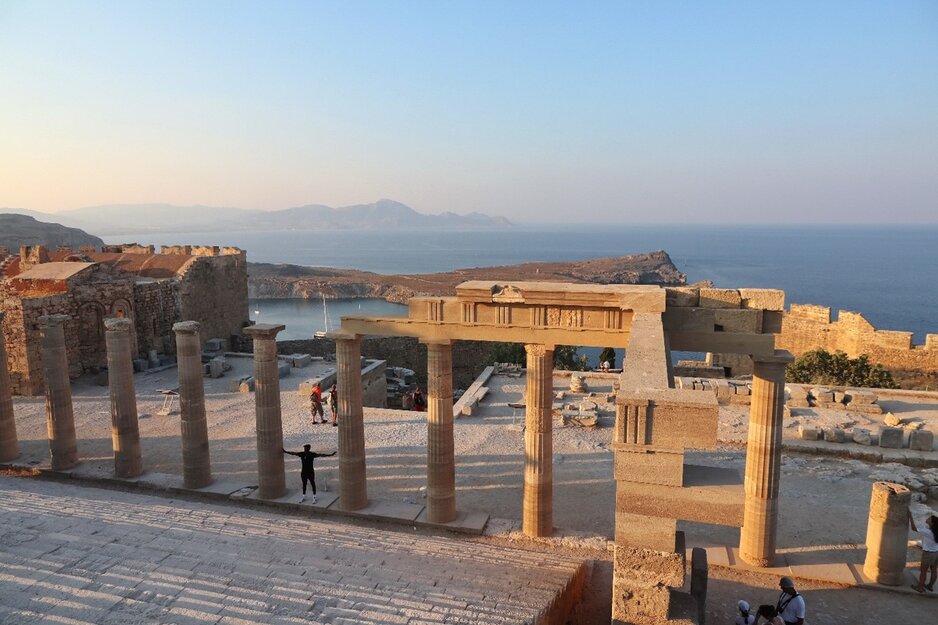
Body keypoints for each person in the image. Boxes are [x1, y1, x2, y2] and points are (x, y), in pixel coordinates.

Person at [909, 512, 938, 592]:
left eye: (929, 519)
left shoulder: (928, 532)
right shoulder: (935, 531)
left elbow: (913, 528)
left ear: (932, 523)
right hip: (936, 553)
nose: (927, 519)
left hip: (928, 553)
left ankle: (920, 587)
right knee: (934, 570)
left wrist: (911, 517)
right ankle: (930, 586)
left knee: (923, 571)